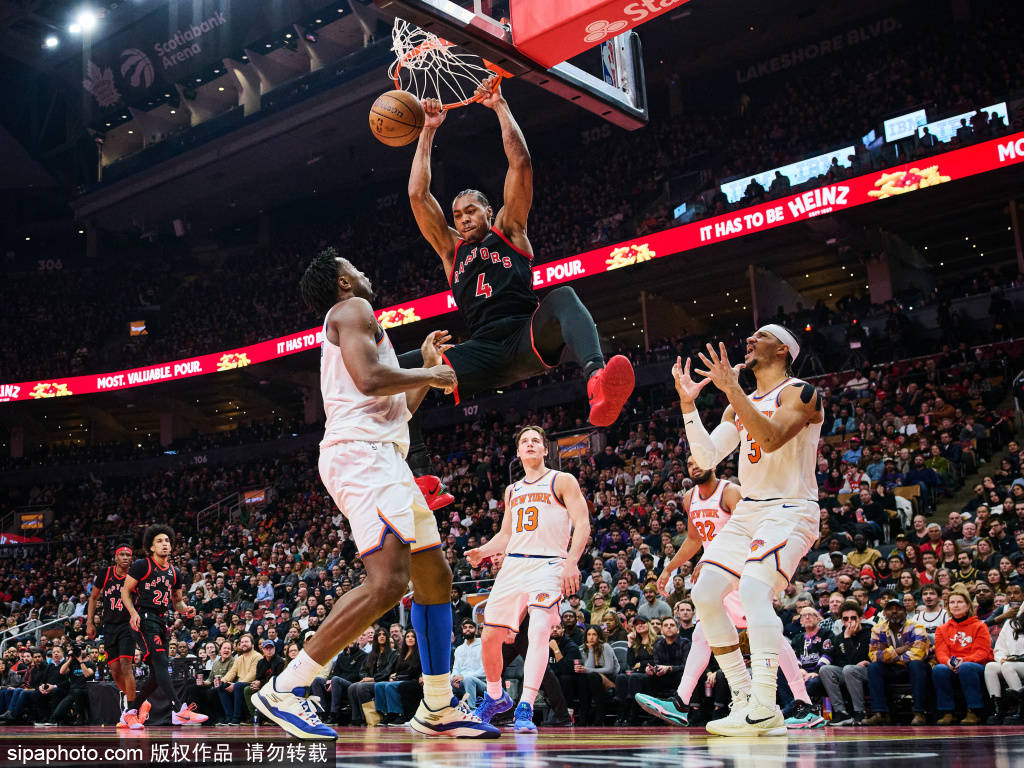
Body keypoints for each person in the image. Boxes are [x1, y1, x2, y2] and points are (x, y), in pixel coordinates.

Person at [262, 252, 494, 739]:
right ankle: (286, 686)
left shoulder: (362, 325)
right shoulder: (352, 310)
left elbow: (396, 409)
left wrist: (426, 368)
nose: (365, 272)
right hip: (361, 454)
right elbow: (369, 379)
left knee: (435, 577)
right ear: (344, 282)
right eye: (356, 268)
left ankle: (437, 706)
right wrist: (430, 375)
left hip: (386, 454)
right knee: (389, 581)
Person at [404, 79, 635, 443]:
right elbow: (418, 195)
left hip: (526, 335)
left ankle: (596, 379)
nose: (463, 219)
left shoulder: (509, 230)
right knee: (395, 364)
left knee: (563, 296)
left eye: (471, 211)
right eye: (457, 215)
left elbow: (521, 163)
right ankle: (413, 460)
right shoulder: (451, 250)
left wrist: (499, 105)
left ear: (488, 211)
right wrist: (427, 131)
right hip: (480, 350)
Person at [676, 325, 824, 736]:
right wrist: (689, 405)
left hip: (790, 508)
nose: (749, 340)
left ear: (782, 349)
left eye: (760, 336)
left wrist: (731, 390)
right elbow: (706, 456)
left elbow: (771, 438)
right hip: (750, 511)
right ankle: (743, 697)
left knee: (755, 590)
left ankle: (765, 702)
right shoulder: (737, 404)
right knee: (705, 593)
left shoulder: (801, 393)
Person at [635, 456, 821, 728]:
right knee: (702, 635)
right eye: (689, 463)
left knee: (767, 636)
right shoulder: (690, 498)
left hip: (738, 570)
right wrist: (669, 569)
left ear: (713, 461)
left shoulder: (731, 492)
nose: (694, 466)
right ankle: (681, 702)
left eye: (699, 460)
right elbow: (694, 539)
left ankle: (803, 703)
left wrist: (714, 561)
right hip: (715, 575)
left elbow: (752, 530)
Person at [466, 425, 591, 732]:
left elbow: (583, 523)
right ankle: (496, 696)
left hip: (548, 564)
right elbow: (506, 534)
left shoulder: (562, 480)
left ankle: (526, 706)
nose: (531, 444)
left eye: (536, 440)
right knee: (489, 637)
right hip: (513, 565)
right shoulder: (513, 490)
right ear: (519, 452)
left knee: (538, 630)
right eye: (525, 441)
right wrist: (484, 551)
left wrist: (571, 562)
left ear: (545, 449)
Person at [121, 524, 208, 728]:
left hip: (161, 620)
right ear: (151, 547)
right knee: (161, 662)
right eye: (159, 541)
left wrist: (186, 609)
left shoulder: (175, 572)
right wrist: (132, 613)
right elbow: (125, 591)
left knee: (156, 675)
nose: (165, 544)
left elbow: (177, 602)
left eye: (167, 541)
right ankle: (179, 710)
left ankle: (130, 712)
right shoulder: (142, 565)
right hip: (143, 618)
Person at [86, 543, 137, 727]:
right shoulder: (105, 574)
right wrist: (90, 622)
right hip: (109, 626)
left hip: (127, 625)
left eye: (128, 555)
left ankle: (132, 710)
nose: (125, 557)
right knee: (114, 670)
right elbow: (93, 597)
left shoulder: (134, 576)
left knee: (126, 666)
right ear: (116, 557)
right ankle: (135, 702)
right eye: (122, 554)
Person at [861, 599, 931, 725]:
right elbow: (874, 655)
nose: (894, 611)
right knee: (874, 667)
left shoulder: (917, 627)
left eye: (898, 608)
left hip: (912, 668)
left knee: (916, 664)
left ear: (905, 611)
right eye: (890, 609)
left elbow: (918, 654)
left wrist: (888, 655)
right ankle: (880, 713)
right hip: (893, 669)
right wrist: (899, 650)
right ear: (884, 613)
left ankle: (919, 713)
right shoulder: (877, 629)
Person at [933, 586, 993, 725]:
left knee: (966, 667)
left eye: (959, 602)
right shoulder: (942, 629)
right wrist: (948, 662)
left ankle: (973, 711)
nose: (955, 605)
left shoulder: (979, 626)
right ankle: (947, 712)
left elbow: (982, 652)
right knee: (939, 669)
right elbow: (941, 652)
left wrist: (963, 661)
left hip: (976, 665)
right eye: (952, 602)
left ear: (968, 606)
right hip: (953, 664)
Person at [818, 600, 872, 726]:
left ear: (860, 619)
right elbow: (830, 656)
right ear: (842, 621)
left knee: (849, 669)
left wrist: (848, 638)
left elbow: (855, 661)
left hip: (867, 672)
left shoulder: (868, 634)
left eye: (853, 618)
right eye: (846, 619)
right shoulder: (839, 637)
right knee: (825, 670)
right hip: (848, 672)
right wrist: (814, 672)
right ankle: (841, 712)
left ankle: (860, 712)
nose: (850, 621)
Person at [984, 601, 1024, 724]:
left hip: (1018, 663)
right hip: (1012, 662)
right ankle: (998, 709)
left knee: (1008, 666)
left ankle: (1021, 708)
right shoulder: (1010, 623)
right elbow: (999, 648)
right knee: (991, 667)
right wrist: (1002, 658)